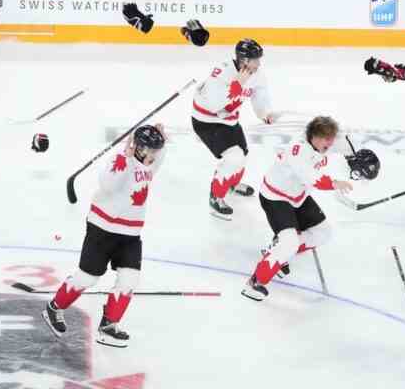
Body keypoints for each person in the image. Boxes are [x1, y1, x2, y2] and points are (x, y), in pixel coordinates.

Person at [41, 125, 167, 348]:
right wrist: (125, 159)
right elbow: (108, 185)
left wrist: (160, 136)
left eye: (156, 151)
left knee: (129, 280)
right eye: (150, 151)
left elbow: (160, 154)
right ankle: (54, 308)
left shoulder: (150, 164)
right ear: (138, 148)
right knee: (88, 277)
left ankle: (108, 325)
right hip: (102, 229)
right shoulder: (120, 161)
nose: (154, 156)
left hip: (130, 234)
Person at [241, 116, 354, 301]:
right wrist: (335, 183)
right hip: (275, 197)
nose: (330, 143)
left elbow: (345, 143)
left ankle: (277, 249)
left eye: (331, 139)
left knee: (323, 233)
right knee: (289, 242)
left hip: (298, 197)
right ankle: (255, 282)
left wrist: (357, 157)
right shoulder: (298, 150)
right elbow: (313, 178)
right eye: (327, 139)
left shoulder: (320, 141)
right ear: (315, 137)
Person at [191, 39, 276, 220]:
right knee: (233, 157)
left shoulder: (257, 74)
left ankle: (231, 183)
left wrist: (264, 113)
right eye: (255, 60)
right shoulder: (221, 73)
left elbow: (259, 94)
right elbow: (215, 105)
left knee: (242, 154)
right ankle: (216, 196)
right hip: (206, 121)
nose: (259, 63)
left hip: (229, 120)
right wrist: (236, 85)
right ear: (244, 60)